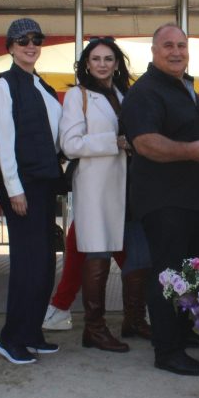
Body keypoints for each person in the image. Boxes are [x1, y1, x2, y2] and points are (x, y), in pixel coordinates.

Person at [121, 23, 199, 376]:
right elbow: (145, 142)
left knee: (189, 272)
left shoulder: (185, 87)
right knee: (167, 274)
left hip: (189, 200)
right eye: (168, 45)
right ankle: (167, 350)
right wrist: (190, 151)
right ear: (153, 51)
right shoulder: (145, 91)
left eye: (182, 45)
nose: (176, 51)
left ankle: (181, 332)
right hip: (163, 201)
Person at [59, 36, 151, 353]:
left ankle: (134, 320)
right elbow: (70, 145)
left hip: (131, 186)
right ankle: (94, 328)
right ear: (86, 63)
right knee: (96, 256)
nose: (102, 64)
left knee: (139, 256)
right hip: (96, 186)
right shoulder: (77, 96)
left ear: (116, 63)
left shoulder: (125, 95)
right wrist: (115, 143)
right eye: (96, 58)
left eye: (108, 58)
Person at [0, 18, 62, 365]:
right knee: (26, 264)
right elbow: (4, 143)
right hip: (23, 186)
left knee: (45, 262)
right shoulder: (5, 85)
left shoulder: (42, 86)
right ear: (10, 46)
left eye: (36, 39)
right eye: (22, 41)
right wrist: (14, 189)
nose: (30, 46)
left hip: (45, 184)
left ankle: (32, 331)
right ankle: (11, 337)